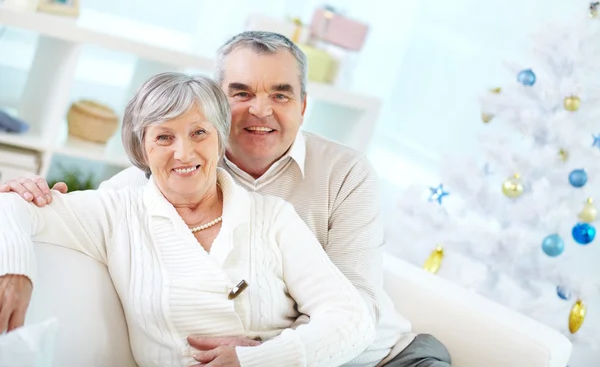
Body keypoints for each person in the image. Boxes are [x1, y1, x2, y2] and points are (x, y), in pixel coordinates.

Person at [1, 31, 451, 366]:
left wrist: (261, 356)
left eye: (280, 94)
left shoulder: (329, 181)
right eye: (242, 92)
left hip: (386, 356)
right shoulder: (133, 195)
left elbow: (357, 313)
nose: (260, 109)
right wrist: (18, 255)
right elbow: (33, 209)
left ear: (303, 105)